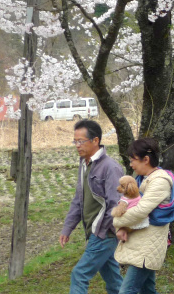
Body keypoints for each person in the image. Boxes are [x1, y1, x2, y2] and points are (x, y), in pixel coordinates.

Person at [60, 119, 124, 294]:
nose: (77, 145)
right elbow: (78, 200)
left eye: (81, 141)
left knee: (79, 274)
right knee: (113, 280)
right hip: (95, 232)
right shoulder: (85, 163)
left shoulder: (110, 168)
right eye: (75, 141)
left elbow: (116, 204)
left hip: (103, 233)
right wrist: (67, 228)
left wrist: (103, 230)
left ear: (95, 141)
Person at [113, 137, 174, 294]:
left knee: (127, 291)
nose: (131, 164)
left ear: (145, 159)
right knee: (147, 290)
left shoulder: (160, 181)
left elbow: (141, 210)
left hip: (147, 247)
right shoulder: (143, 179)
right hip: (143, 244)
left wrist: (117, 221)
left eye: (133, 160)